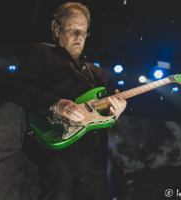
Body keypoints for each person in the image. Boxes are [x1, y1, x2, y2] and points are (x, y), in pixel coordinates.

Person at [9, 2, 127, 200]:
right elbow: (19, 90)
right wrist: (57, 104)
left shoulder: (96, 73)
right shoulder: (41, 52)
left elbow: (102, 117)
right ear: (56, 28)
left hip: (93, 154)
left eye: (83, 31)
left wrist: (115, 115)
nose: (79, 37)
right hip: (57, 144)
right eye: (72, 30)